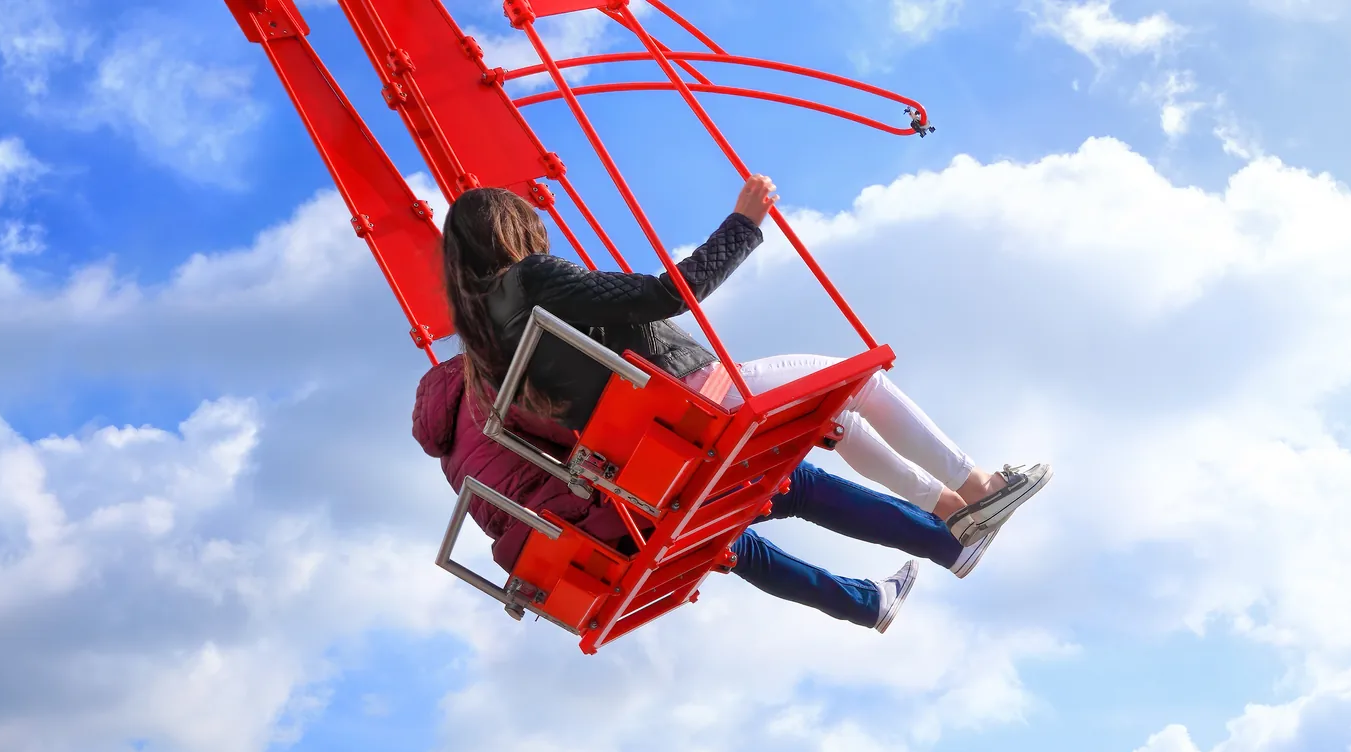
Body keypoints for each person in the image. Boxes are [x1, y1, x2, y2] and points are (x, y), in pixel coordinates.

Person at [417, 179, 1048, 634]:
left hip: (645, 457)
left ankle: (952, 516)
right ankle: (978, 485)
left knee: (838, 420)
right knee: (859, 380)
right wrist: (744, 224)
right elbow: (667, 293)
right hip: (698, 398)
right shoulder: (532, 281)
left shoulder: (482, 356)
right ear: (512, 233)